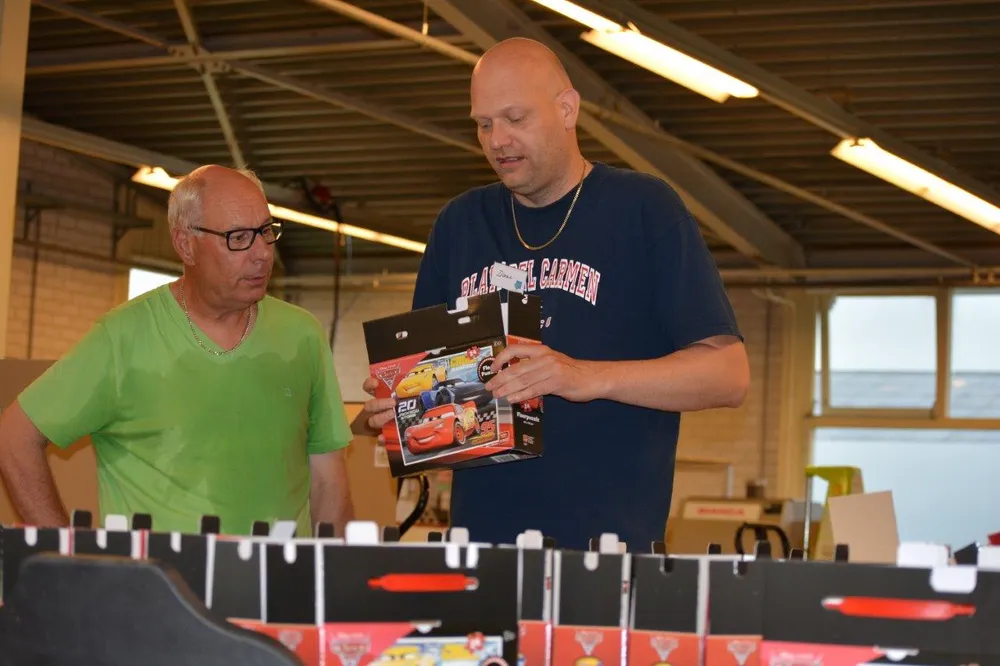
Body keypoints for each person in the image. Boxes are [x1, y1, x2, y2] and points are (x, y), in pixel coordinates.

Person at [362, 38, 750, 552]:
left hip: (604, 555)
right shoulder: (459, 224)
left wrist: (583, 376)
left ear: (567, 109)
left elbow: (728, 376)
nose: (497, 140)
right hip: (483, 552)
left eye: (515, 118)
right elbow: (439, 393)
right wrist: (399, 409)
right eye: (483, 124)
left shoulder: (644, 209)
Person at [0, 165, 354, 537]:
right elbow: (13, 438)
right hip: (160, 575)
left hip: (279, 573)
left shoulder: (301, 336)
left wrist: (334, 569)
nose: (263, 254)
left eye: (266, 231)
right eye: (238, 238)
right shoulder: (123, 338)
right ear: (186, 244)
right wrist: (64, 552)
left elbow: (328, 482)